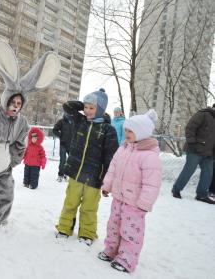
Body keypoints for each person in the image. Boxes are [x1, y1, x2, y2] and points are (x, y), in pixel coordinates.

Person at [0, 40, 60, 232]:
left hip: (4, 162)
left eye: (19, 103)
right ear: (6, 100)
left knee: (6, 191)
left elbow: (20, 144)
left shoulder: (22, 122)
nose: (15, 106)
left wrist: (12, 161)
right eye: (13, 101)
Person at [99, 109, 162, 273]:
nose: (126, 133)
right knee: (113, 225)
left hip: (135, 204)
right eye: (126, 130)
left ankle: (127, 259)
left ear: (142, 133)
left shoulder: (149, 156)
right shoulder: (123, 149)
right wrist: (107, 185)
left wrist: (145, 203)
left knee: (130, 231)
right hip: (118, 197)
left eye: (131, 131)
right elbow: (113, 169)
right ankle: (111, 250)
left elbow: (152, 184)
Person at [55, 88, 119, 246]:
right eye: (86, 107)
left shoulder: (107, 130)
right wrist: (82, 103)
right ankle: (64, 228)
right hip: (76, 172)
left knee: (89, 207)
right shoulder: (80, 121)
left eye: (92, 108)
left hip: (94, 177)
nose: (87, 111)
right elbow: (67, 107)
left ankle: (87, 233)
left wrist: (106, 179)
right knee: (70, 202)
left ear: (101, 109)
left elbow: (111, 157)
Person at [171, 104, 215, 204]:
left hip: (209, 153)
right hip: (195, 149)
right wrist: (192, 143)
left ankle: (202, 194)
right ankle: (176, 189)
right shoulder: (203, 114)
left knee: (208, 174)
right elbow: (190, 128)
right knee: (189, 170)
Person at [52, 112, 74, 182]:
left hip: (72, 145)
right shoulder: (61, 121)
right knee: (63, 160)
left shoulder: (75, 121)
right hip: (63, 144)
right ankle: (60, 175)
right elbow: (54, 130)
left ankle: (66, 174)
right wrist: (61, 136)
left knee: (70, 161)